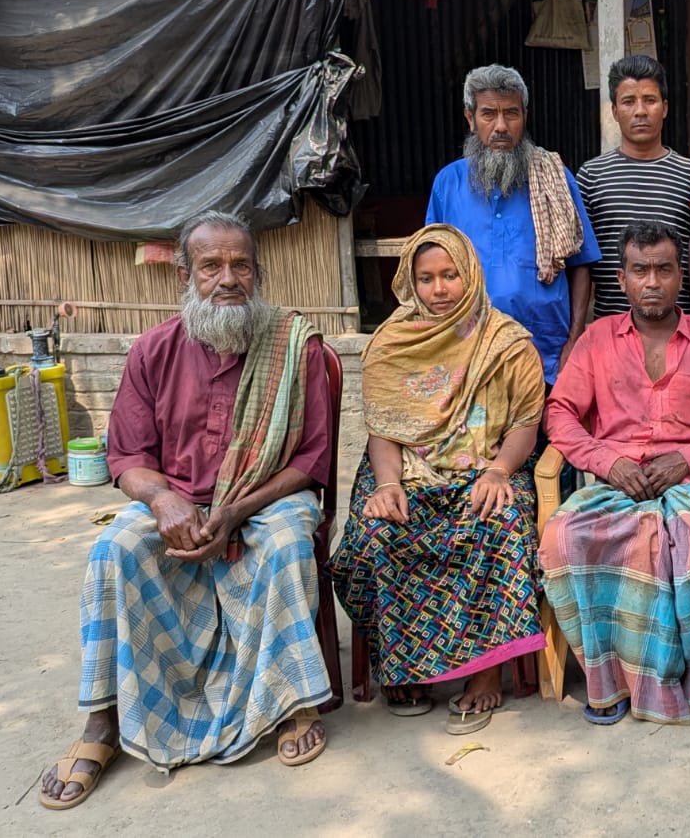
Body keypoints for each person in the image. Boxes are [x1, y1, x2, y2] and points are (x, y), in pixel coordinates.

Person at [39, 212, 333, 810]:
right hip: (176, 500)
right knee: (114, 548)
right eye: (211, 266)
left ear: (257, 272)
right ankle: (102, 722)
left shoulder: (294, 347)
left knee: (285, 542)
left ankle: (288, 702)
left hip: (267, 497)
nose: (228, 279)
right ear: (184, 274)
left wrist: (237, 509)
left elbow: (311, 459)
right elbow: (127, 457)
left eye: (241, 265)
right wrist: (163, 499)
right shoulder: (153, 351)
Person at [540, 222, 690, 725]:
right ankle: (608, 680)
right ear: (621, 279)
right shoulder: (597, 340)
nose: (652, 282)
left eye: (663, 270)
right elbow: (560, 414)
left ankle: (679, 677)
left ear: (680, 276)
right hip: (616, 484)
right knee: (563, 538)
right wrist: (608, 462)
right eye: (640, 270)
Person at [329, 225, 546, 735]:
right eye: (426, 278)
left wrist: (499, 471)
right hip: (405, 471)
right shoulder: (390, 344)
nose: (439, 288)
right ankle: (403, 667)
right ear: (410, 281)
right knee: (375, 535)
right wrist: (387, 485)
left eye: (450, 275)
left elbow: (525, 422)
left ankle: (485, 670)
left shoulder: (507, 343)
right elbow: (383, 430)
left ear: (470, 274)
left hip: (487, 466)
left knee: (500, 525)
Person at [426, 63, 601, 384]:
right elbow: (429, 269)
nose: (501, 127)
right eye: (488, 114)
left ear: (525, 116)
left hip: (546, 352)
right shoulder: (447, 184)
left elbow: (581, 265)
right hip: (467, 353)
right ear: (470, 118)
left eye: (511, 113)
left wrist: (574, 342)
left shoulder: (555, 178)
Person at [577, 54, 690, 318]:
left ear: (665, 108)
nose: (640, 111)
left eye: (650, 100)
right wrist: (577, 330)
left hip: (679, 330)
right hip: (610, 329)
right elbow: (581, 263)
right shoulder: (591, 176)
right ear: (614, 111)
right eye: (629, 101)